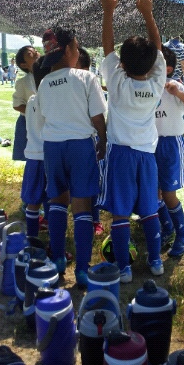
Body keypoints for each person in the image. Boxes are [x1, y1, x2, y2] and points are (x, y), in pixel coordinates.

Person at [98, 0, 166, 284]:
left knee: (121, 214)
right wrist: (148, 14)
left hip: (121, 155)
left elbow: (107, 48)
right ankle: (156, 262)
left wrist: (108, 11)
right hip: (147, 156)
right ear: (152, 64)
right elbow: (158, 49)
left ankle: (124, 268)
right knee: (149, 211)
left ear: (122, 64)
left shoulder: (117, 83)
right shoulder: (156, 84)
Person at [36, 26, 107, 288]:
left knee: (57, 200)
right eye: (76, 47)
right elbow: (98, 116)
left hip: (52, 147)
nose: (78, 51)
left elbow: (44, 115)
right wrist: (103, 139)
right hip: (80, 146)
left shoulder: (44, 83)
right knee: (82, 205)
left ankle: (57, 260)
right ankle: (83, 270)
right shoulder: (85, 77)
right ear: (68, 50)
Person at [155, 45, 184, 257]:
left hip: (170, 144)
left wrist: (179, 93)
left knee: (168, 193)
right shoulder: (146, 85)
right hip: (149, 144)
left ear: (168, 69)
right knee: (154, 192)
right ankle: (167, 228)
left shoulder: (174, 86)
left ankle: (183, 234)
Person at [75, 46, 105, 236]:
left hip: (89, 139)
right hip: (70, 140)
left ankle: (95, 219)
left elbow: (99, 114)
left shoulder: (88, 80)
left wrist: (102, 139)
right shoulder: (65, 80)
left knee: (92, 180)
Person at [21, 56, 50, 238]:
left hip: (32, 156)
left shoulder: (32, 99)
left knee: (33, 202)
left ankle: (32, 237)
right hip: (48, 156)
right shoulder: (52, 99)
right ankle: (54, 239)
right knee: (54, 200)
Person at [12, 45, 39, 161]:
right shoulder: (23, 82)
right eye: (30, 54)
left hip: (47, 122)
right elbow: (17, 105)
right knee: (32, 156)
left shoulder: (50, 75)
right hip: (29, 123)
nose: (36, 53)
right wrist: (35, 112)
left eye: (36, 51)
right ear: (23, 65)